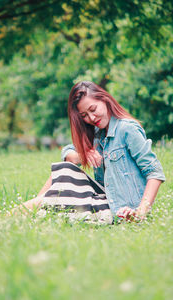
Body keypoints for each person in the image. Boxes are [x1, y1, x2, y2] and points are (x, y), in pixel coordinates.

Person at [16, 81, 165, 222]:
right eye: (84, 116)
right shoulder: (97, 134)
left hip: (122, 208)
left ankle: (23, 211)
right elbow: (68, 152)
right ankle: (34, 208)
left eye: (93, 109)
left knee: (56, 201)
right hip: (102, 198)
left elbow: (154, 172)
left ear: (105, 100)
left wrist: (141, 212)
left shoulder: (127, 129)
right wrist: (84, 155)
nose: (91, 118)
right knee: (66, 168)